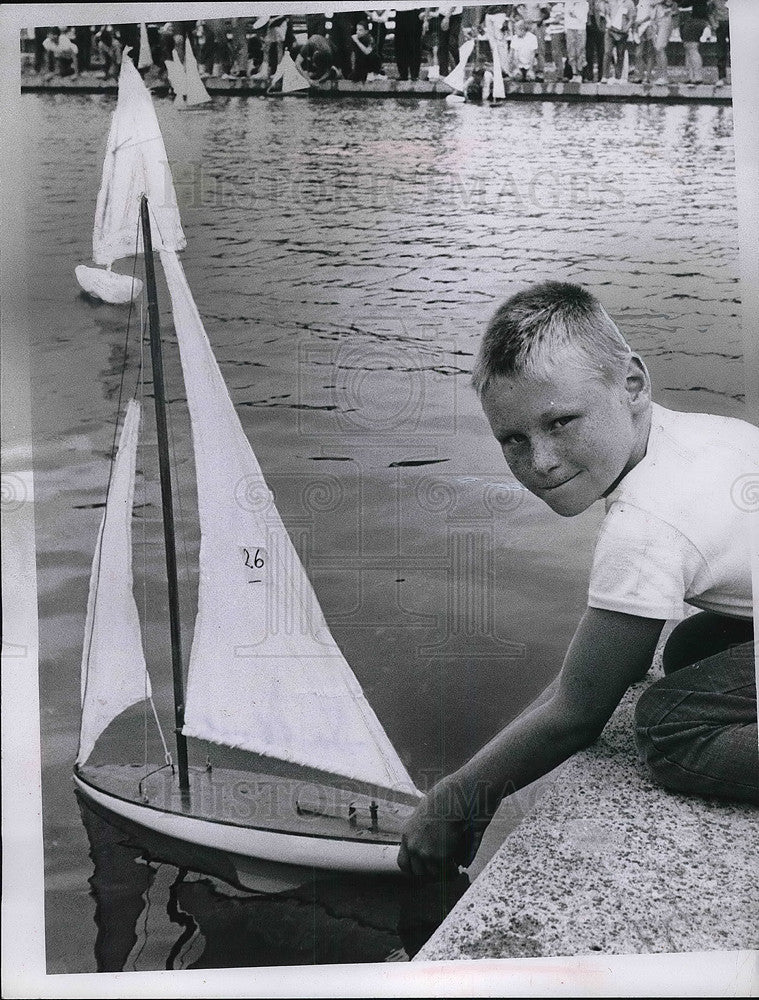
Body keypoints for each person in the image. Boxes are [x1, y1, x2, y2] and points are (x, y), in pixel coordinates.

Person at [398, 281, 758, 876]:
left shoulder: (647, 527)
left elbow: (578, 709)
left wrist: (458, 798)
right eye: (513, 440)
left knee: (669, 727)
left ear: (633, 384)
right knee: (691, 648)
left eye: (561, 421)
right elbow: (586, 679)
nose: (539, 461)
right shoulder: (692, 435)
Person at [601, 0, 636, 82]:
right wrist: (609, 22)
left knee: (620, 54)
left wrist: (626, 29)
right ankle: (605, 76)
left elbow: (631, 18)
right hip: (610, 31)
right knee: (607, 52)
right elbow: (606, 14)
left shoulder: (629, 3)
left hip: (622, 32)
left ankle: (618, 77)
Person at [677, 1, 710, 85]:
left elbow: (684, 4)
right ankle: (692, 77)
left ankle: (697, 77)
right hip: (700, 19)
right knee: (689, 48)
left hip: (695, 20)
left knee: (691, 48)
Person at [651, 0, 677, 85]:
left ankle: (664, 76)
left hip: (665, 17)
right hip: (655, 18)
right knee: (656, 48)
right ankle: (660, 75)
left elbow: (669, 3)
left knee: (660, 47)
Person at [394, 7, 425, 81]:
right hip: (400, 12)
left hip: (413, 12)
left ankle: (414, 74)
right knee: (400, 45)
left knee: (414, 45)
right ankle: (403, 74)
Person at [564, 0, 589, 81]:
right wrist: (566, 29)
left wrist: (574, 13)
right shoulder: (568, 3)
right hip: (570, 29)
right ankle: (574, 73)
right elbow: (566, 17)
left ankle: (580, 73)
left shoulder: (584, 3)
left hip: (580, 29)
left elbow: (584, 19)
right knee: (571, 52)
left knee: (580, 52)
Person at [583, 0, 605, 81]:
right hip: (588, 27)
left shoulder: (600, 2)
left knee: (601, 53)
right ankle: (589, 75)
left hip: (600, 28)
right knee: (589, 53)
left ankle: (601, 75)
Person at [709, 0, 729, 86]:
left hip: (733, 22)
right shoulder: (713, 2)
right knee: (721, 52)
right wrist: (713, 23)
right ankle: (722, 77)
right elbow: (709, 12)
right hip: (720, 23)